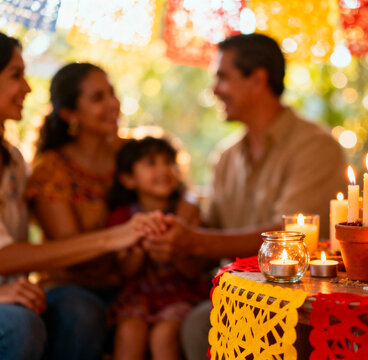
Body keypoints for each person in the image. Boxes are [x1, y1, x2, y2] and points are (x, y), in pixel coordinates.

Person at [142, 33, 348, 360]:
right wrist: (169, 234)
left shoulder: (315, 147)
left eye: (223, 77)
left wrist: (193, 240)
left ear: (258, 79)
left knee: (200, 324)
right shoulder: (225, 157)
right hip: (239, 294)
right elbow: (210, 237)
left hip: (301, 303)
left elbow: (289, 238)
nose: (214, 90)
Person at [0, 32, 170, 360]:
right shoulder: (52, 168)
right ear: (69, 114)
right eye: (16, 75)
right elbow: (43, 252)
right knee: (75, 311)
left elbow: (173, 196)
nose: (28, 87)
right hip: (73, 286)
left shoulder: (13, 160)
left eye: (112, 93)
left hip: (133, 279)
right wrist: (121, 237)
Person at [106, 137, 210, 360]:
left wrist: (176, 245)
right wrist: (140, 244)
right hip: (138, 296)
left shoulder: (186, 212)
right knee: (130, 331)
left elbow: (193, 270)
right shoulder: (122, 218)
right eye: (151, 163)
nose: (163, 169)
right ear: (128, 179)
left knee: (164, 335)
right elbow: (126, 271)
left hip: (181, 293)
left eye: (169, 162)